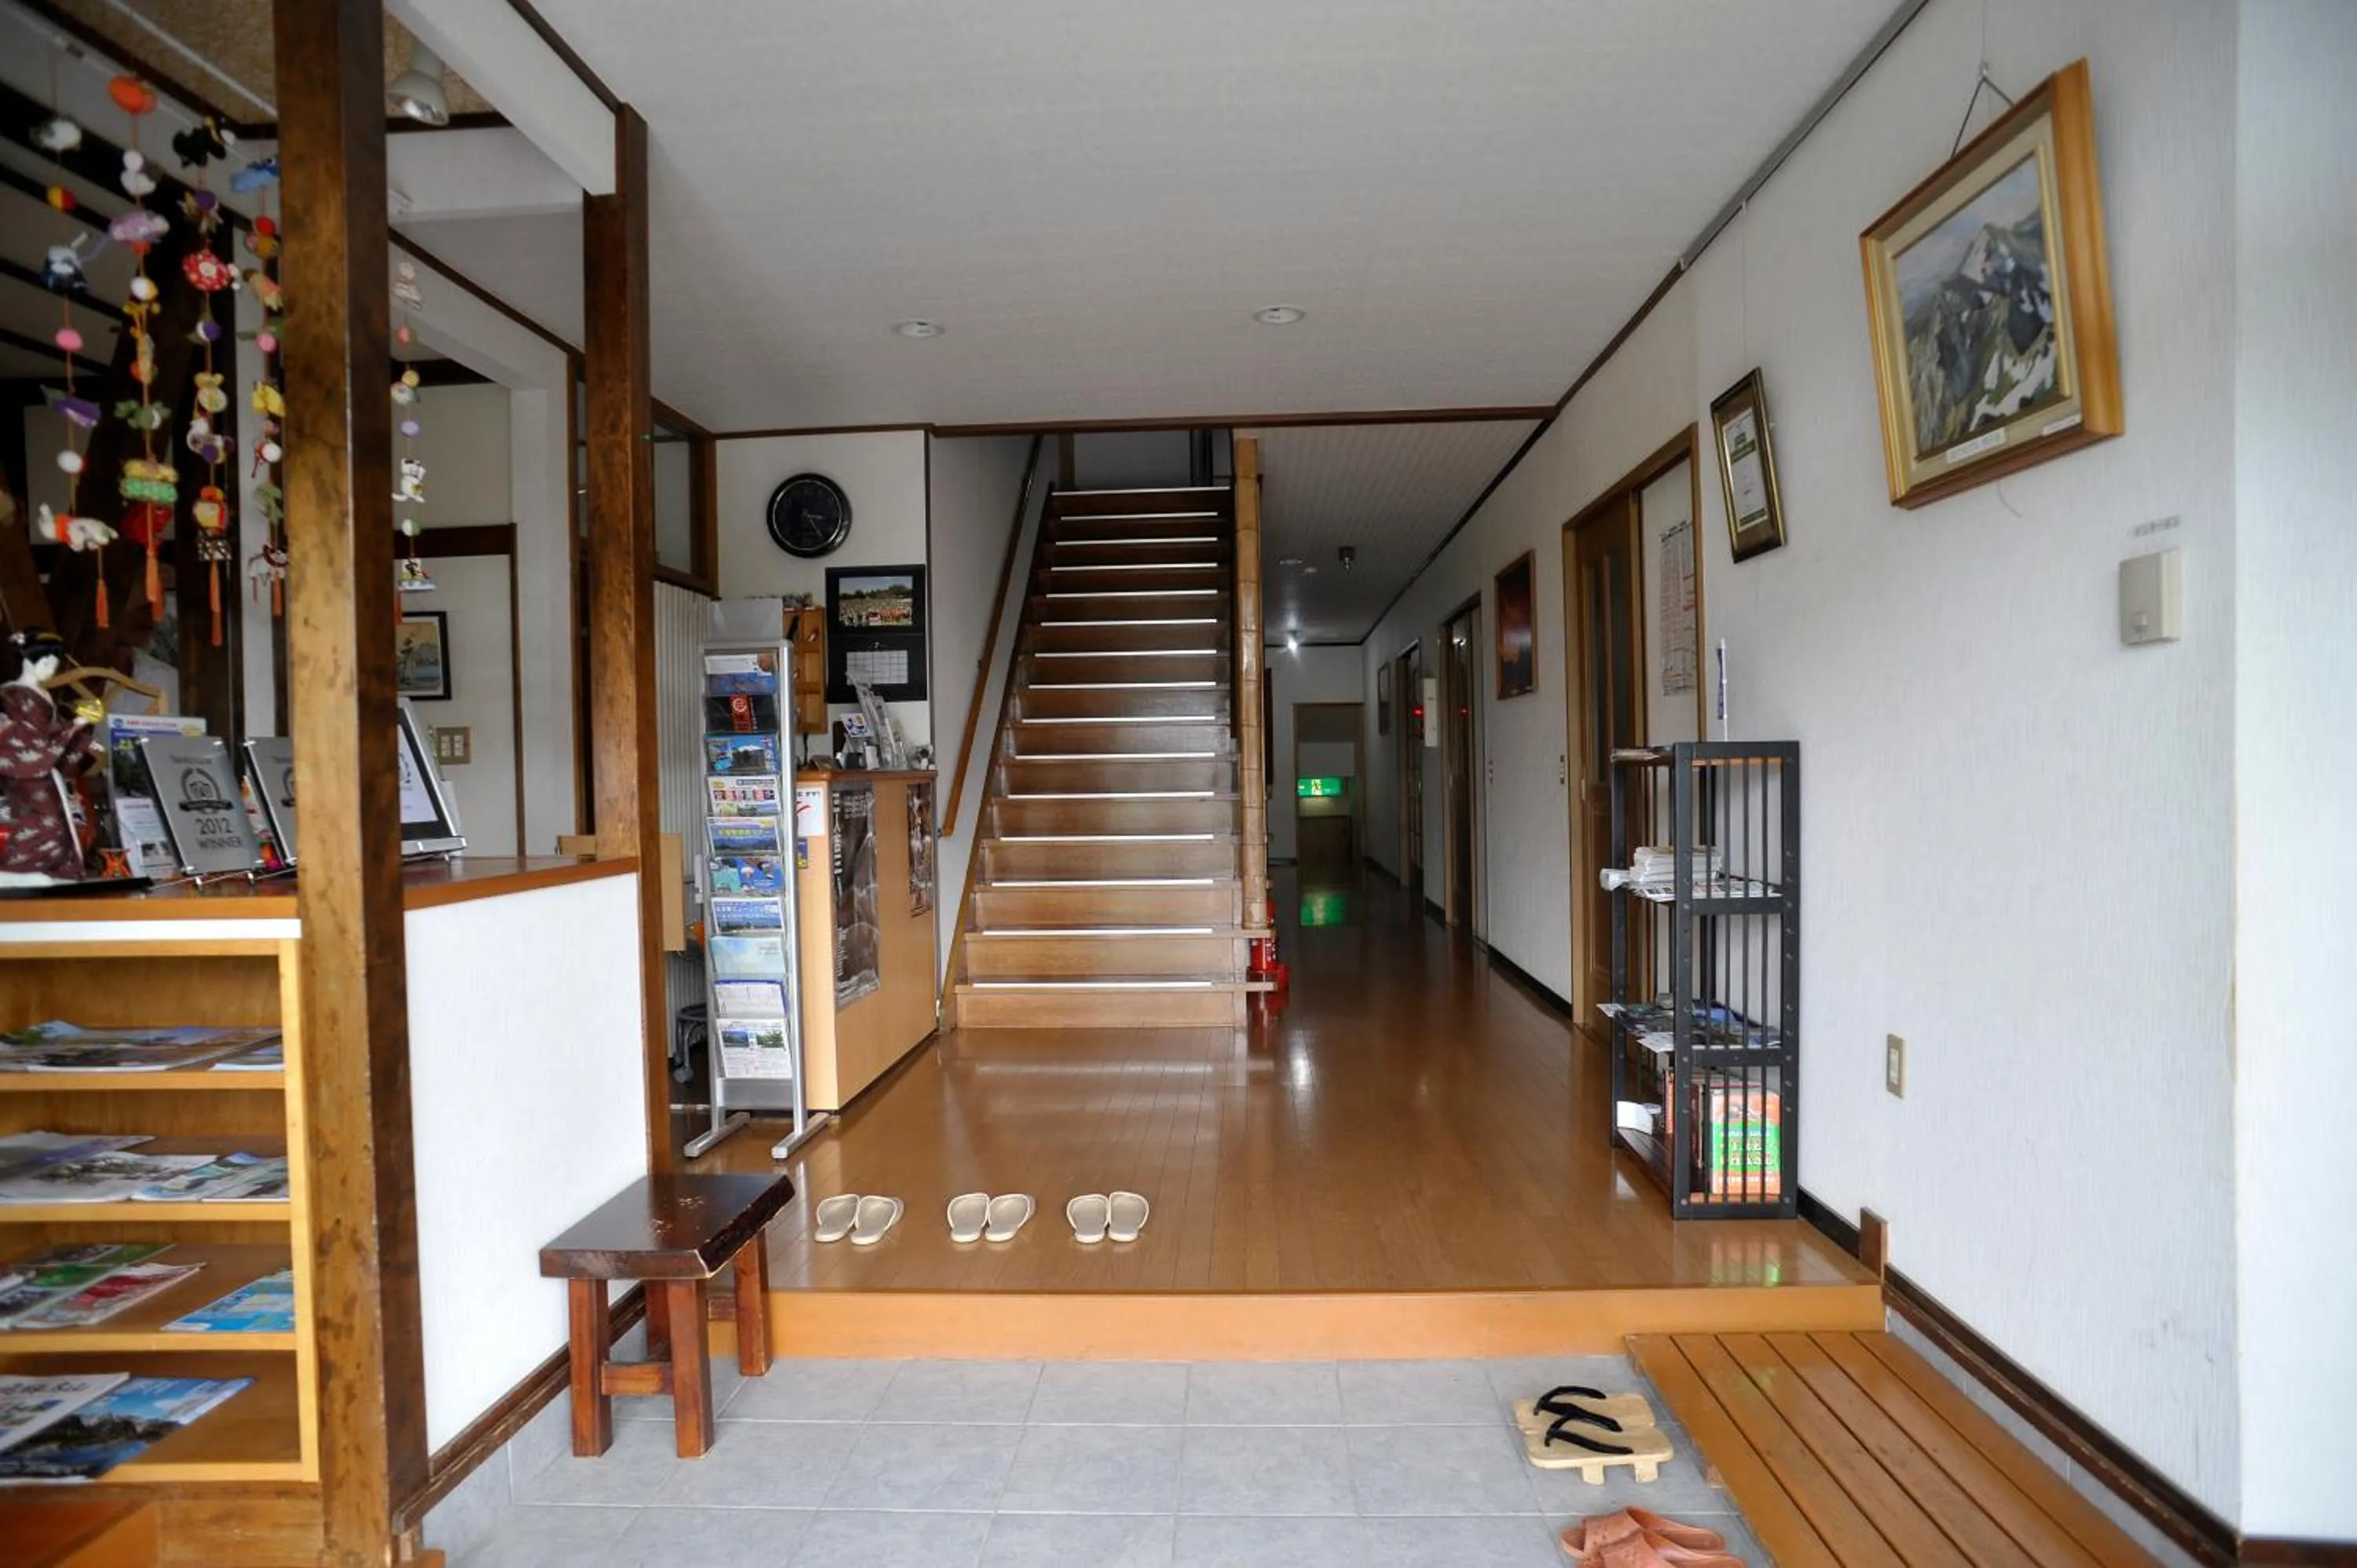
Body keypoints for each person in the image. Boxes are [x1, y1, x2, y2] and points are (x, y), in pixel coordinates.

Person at [0, 628, 100, 884]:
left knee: (55, 823)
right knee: (42, 821)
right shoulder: (15, 694)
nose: (50, 670)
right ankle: (15, 872)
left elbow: (50, 730)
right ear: (27, 661)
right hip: (23, 766)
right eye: (45, 663)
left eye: (54, 665)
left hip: (40, 765)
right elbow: (31, 736)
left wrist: (82, 737)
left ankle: (48, 870)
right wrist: (75, 725)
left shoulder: (39, 694)